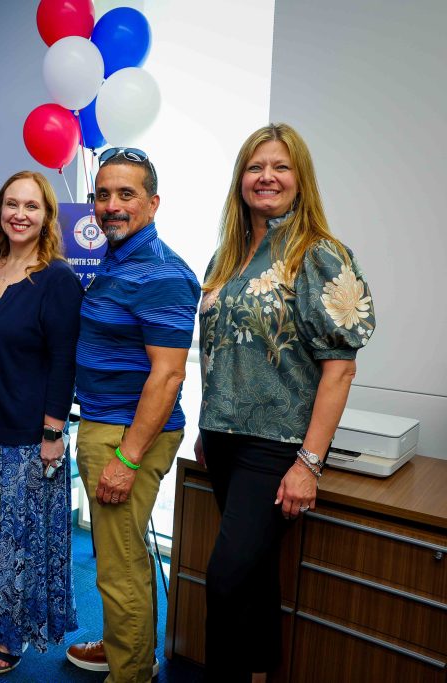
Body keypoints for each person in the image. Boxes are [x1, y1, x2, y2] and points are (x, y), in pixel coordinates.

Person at [196, 123, 375, 682]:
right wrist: (210, 425)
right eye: (255, 167)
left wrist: (309, 463)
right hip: (224, 440)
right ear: (240, 179)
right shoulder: (227, 257)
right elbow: (221, 353)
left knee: (225, 581)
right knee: (253, 577)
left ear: (301, 179)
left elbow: (340, 367)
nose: (266, 177)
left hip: (275, 449)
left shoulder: (317, 254)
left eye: (280, 167)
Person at [64, 149, 201, 683]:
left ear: (153, 202)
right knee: (125, 553)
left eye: (126, 195)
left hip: (128, 434)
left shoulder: (163, 273)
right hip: (107, 423)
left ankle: (131, 674)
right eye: (103, 194)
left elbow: (167, 377)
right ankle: (133, 650)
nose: (111, 206)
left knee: (117, 569)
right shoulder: (117, 261)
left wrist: (127, 457)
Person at [0, 170, 82, 674]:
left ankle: (12, 633)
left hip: (27, 430)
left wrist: (53, 432)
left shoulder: (57, 279)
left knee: (17, 536)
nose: (19, 214)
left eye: (31, 205)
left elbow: (64, 359)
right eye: (11, 204)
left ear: (47, 215)